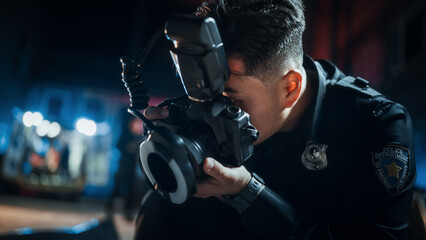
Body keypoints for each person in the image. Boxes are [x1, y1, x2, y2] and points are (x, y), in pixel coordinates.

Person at [135, 0, 417, 239]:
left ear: (289, 89)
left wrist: (247, 193)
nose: (212, 110)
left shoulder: (375, 125)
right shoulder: (237, 89)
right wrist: (172, 143)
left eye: (230, 102)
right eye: (208, 98)